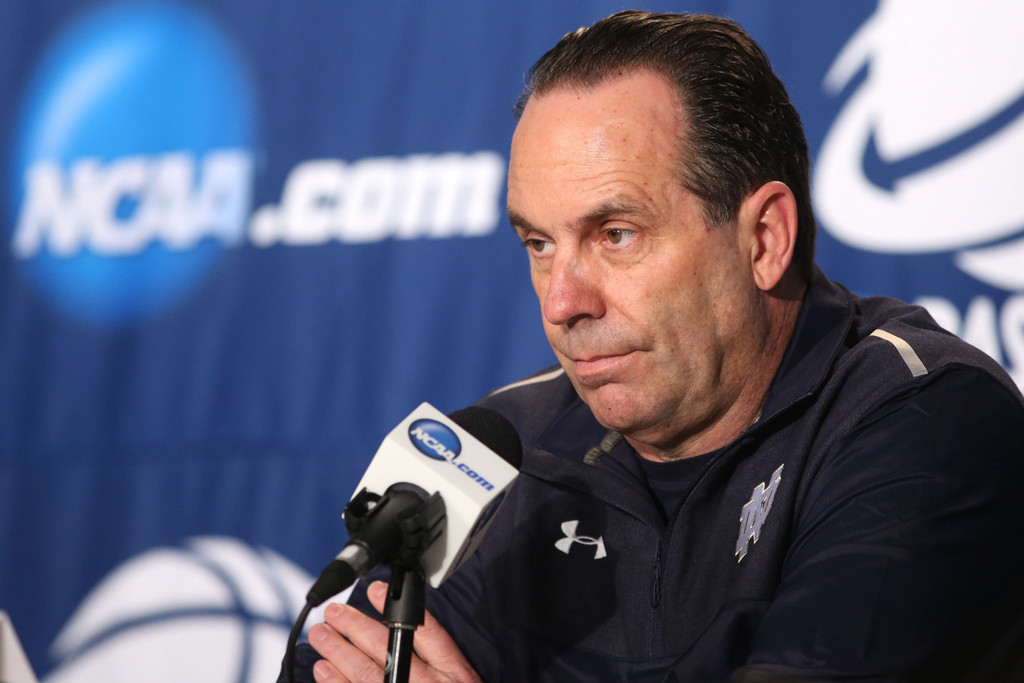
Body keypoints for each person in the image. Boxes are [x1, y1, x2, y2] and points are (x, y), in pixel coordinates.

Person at [287, 10, 1024, 682]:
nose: (563, 302)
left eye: (616, 234)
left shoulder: (928, 420)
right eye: (540, 243)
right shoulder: (507, 450)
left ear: (763, 239)